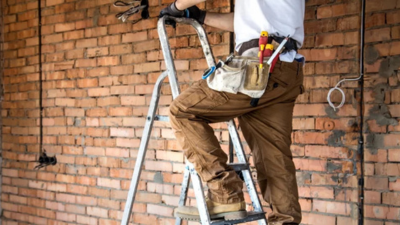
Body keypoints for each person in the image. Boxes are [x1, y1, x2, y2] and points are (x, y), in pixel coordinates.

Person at [160, 1, 305, 224]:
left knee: (182, 111)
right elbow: (246, 23)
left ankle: (224, 194)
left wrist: (176, 6)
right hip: (285, 68)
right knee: (274, 157)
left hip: (258, 66)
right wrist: (201, 15)